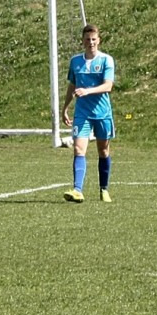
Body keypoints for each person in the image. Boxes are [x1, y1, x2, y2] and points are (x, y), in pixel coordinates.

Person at [61, 24, 116, 203]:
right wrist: (65, 108)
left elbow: (108, 86)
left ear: (99, 40)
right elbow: (72, 85)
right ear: (82, 41)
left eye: (93, 39)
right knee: (78, 149)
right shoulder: (75, 61)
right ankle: (77, 190)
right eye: (87, 39)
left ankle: (104, 189)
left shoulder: (106, 60)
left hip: (102, 113)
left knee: (103, 150)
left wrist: (87, 91)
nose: (90, 42)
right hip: (82, 113)